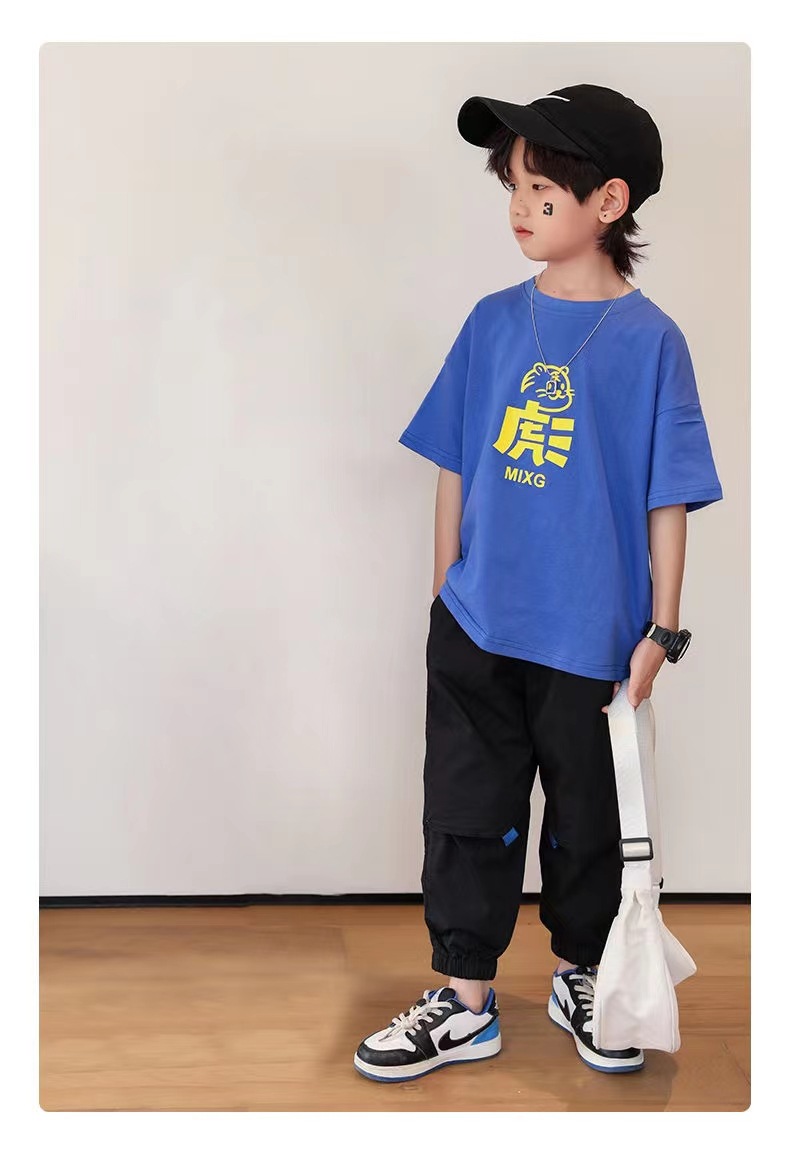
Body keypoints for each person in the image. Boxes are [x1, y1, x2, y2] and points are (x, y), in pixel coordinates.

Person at [353, 84, 723, 1083]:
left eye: (542, 192)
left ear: (609, 201)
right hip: (477, 624)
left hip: (591, 638)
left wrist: (662, 630)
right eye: (512, 187)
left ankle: (583, 974)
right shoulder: (491, 322)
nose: (519, 208)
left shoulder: (651, 342)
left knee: (586, 819)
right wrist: (446, 588)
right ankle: (464, 1000)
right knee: (465, 812)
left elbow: (669, 495)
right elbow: (454, 461)